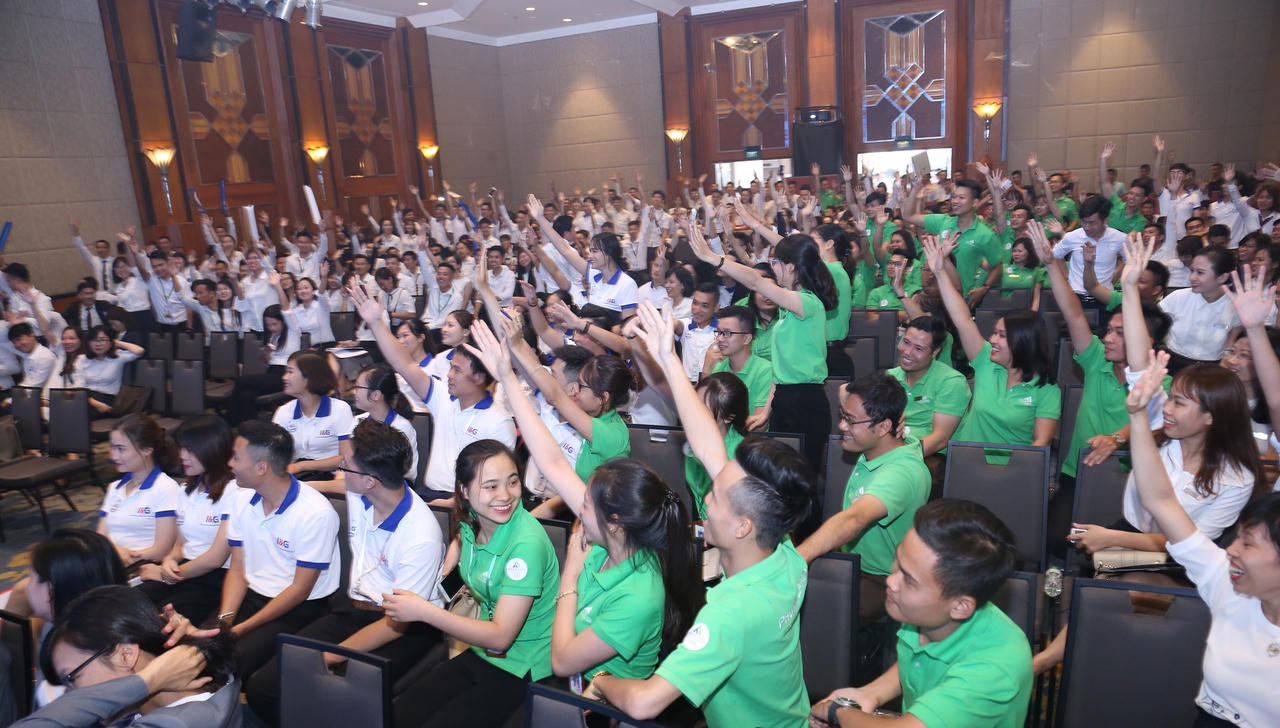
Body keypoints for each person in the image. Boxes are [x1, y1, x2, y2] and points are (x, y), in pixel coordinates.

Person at [589, 301, 813, 727]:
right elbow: (710, 446)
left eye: (718, 498)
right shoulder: (783, 552)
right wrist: (669, 359)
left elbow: (643, 703)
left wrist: (601, 679)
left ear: (744, 525)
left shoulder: (729, 614)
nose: (706, 499)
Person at [467, 318, 702, 684]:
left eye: (585, 505)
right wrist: (509, 378)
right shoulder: (608, 543)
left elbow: (562, 662)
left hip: (595, 705)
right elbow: (553, 462)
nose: (578, 507)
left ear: (614, 521)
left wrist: (571, 576)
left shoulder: (637, 593)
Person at [244, 419, 443, 725]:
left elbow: (396, 625)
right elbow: (336, 482)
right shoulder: (363, 491)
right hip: (351, 609)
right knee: (264, 688)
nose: (340, 470)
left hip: (403, 627)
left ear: (370, 480)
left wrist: (333, 655)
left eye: (345, 465)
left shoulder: (420, 535)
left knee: (338, 700)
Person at [1122, 349, 1280, 726]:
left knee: (1108, 569)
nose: (1232, 552)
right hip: (1209, 719)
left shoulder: (1235, 475)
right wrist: (1137, 415)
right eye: (1238, 539)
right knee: (1101, 570)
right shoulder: (1226, 583)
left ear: (1211, 418)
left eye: (1248, 543)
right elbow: (1159, 500)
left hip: (1169, 560)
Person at [380, 440, 558, 728]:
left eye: (512, 482)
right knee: (399, 715)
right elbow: (466, 534)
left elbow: (501, 637)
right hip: (479, 648)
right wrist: (455, 548)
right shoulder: (473, 519)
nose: (505, 495)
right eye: (490, 486)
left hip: (520, 663)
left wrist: (426, 612)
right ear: (464, 490)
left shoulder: (526, 546)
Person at [810, 500, 1032, 728]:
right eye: (898, 559)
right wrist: (871, 693)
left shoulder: (995, 666)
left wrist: (835, 711)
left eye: (908, 579)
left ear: (960, 606)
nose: (891, 580)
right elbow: (917, 661)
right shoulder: (928, 614)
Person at [685, 222, 837, 474]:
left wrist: (713, 258)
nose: (773, 268)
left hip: (806, 402)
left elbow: (756, 281)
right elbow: (781, 369)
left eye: (777, 262)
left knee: (800, 480)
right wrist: (767, 409)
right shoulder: (788, 309)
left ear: (790, 267)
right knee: (777, 480)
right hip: (784, 399)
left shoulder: (808, 303)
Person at [351, 283, 515, 503]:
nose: (448, 375)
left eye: (456, 370)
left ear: (479, 377)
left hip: (467, 505)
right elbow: (404, 364)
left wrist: (452, 504)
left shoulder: (498, 420)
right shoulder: (444, 399)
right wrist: (376, 323)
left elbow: (497, 486)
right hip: (429, 496)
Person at [798, 373, 930, 621]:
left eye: (850, 421)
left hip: (883, 579)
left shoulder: (902, 473)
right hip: (850, 562)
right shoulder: (880, 446)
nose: (842, 426)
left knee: (815, 613)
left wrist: (798, 558)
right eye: (843, 416)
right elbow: (846, 392)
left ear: (883, 428)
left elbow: (854, 519)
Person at [21, 585, 240, 727]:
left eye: (72, 678)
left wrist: (146, 680)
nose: (71, 696)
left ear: (125, 655)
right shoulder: (215, 687)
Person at [220, 420, 341, 678]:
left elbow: (299, 590)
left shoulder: (316, 513)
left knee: (231, 663)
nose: (229, 464)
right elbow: (237, 569)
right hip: (252, 595)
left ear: (261, 467)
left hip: (297, 608)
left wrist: (240, 630)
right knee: (199, 649)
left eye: (236, 457)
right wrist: (225, 621)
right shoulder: (240, 497)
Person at [922, 232, 1060, 450]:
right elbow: (963, 319)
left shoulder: (1046, 389)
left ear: (1023, 342)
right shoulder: (986, 360)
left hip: (1011, 473)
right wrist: (939, 271)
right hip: (966, 463)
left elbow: (1040, 445)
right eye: (995, 332)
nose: (992, 339)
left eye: (1002, 335)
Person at [6, 529, 127, 708]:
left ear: (51, 591)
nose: (26, 586)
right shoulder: (110, 620)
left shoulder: (76, 666)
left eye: (31, 577)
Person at [135, 416, 238, 624]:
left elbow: (215, 559)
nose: (182, 456)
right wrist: (169, 560)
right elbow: (181, 545)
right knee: (130, 602)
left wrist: (165, 575)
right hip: (185, 569)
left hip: (217, 577)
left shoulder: (235, 491)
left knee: (157, 620)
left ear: (213, 449)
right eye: (181, 448)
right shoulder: (185, 490)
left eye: (190, 450)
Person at [98, 415, 181, 569]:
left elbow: (161, 550)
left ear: (147, 450)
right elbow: (101, 536)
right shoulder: (114, 487)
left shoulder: (165, 488)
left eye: (121, 449)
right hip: (112, 562)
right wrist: (115, 552)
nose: (113, 456)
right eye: (112, 447)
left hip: (142, 567)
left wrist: (125, 557)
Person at [271, 350, 354, 479]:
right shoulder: (284, 411)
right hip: (292, 476)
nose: (284, 377)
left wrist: (302, 466)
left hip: (328, 476)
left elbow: (346, 458)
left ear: (309, 376)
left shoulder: (340, 409)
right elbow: (274, 454)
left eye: (290, 372)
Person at [1160, 245, 1243, 373]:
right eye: (1192, 270)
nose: (1192, 277)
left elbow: (1234, 335)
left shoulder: (1237, 304)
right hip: (1172, 365)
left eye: (1200, 272)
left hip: (1213, 369)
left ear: (1222, 277)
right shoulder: (1177, 298)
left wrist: (1227, 356)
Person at [224, 305, 296, 426]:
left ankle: (229, 421)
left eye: (274, 324)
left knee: (241, 381)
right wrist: (266, 355)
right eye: (268, 325)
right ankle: (251, 426)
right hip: (271, 373)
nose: (271, 328)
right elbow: (268, 362)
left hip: (284, 375)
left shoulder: (292, 332)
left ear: (283, 321)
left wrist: (278, 287)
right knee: (246, 394)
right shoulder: (273, 337)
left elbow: (288, 312)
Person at [704, 305, 773, 429]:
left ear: (746, 338)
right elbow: (702, 416)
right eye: (718, 332)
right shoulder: (718, 369)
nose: (719, 338)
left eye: (727, 333)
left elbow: (759, 426)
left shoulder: (765, 371)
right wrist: (706, 372)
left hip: (748, 444)